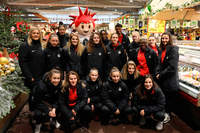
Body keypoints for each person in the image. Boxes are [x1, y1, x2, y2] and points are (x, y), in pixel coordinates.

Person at [18, 27, 46, 111]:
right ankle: (33, 112)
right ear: (30, 34)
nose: (36, 35)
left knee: (40, 95)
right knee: (33, 95)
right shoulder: (25, 45)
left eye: (38, 33)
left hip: (41, 75)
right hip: (31, 76)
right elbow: (22, 63)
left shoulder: (41, 45)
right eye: (34, 33)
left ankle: (39, 112)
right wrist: (29, 76)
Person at [156, 32, 179, 123]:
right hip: (163, 79)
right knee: (164, 97)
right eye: (163, 38)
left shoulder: (173, 50)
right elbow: (159, 63)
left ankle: (167, 115)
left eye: (166, 38)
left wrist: (160, 74)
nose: (164, 40)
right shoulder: (161, 49)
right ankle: (164, 113)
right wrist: (157, 72)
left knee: (168, 99)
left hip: (169, 80)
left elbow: (172, 67)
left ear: (169, 39)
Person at [32, 69, 62, 133]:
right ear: (50, 77)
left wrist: (54, 108)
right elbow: (37, 102)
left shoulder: (59, 84)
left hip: (52, 102)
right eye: (54, 78)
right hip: (41, 102)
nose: (56, 80)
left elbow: (58, 98)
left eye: (58, 78)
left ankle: (55, 119)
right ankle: (38, 124)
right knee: (38, 114)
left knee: (61, 106)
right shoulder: (41, 86)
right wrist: (48, 111)